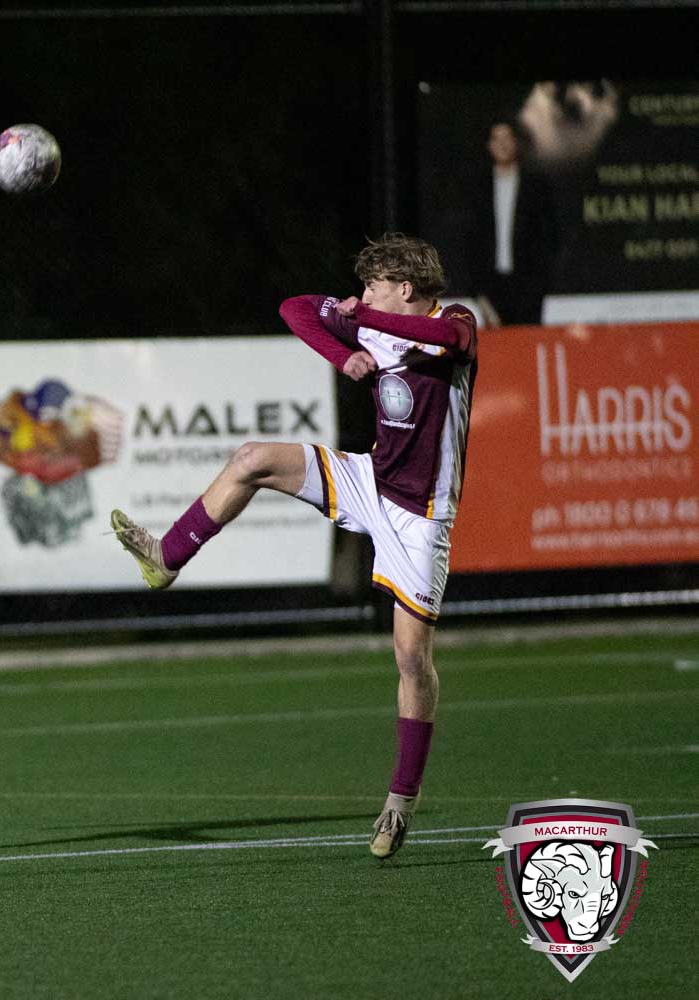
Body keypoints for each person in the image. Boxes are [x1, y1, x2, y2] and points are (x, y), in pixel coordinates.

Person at [110, 235, 477, 860]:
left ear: (404, 288)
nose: (361, 297)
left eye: (372, 287)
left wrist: (365, 322)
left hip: (423, 516)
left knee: (411, 659)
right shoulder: (370, 320)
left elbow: (450, 341)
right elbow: (296, 308)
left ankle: (400, 801)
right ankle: (165, 558)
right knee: (252, 458)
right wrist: (343, 351)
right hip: (371, 481)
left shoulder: (455, 321)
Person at [466, 122, 559, 325]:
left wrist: (539, 285)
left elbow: (548, 237)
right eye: (496, 139)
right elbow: (471, 242)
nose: (503, 144)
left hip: (528, 288)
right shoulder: (478, 189)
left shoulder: (535, 187)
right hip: (492, 288)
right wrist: (479, 294)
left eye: (507, 138)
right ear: (489, 145)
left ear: (516, 143)